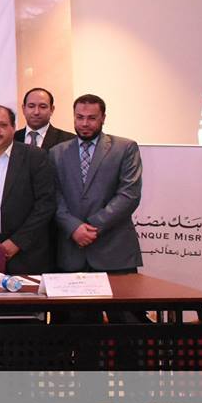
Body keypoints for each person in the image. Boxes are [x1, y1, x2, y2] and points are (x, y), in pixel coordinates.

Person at [51, 94, 143, 274]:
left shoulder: (125, 148)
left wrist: (92, 227)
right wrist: (73, 227)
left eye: (92, 118)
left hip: (114, 253)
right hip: (71, 254)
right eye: (79, 117)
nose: (85, 123)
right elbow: (53, 196)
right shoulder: (56, 152)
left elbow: (129, 195)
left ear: (103, 118)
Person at [0, 106, 56, 274]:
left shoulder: (35, 156)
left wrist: (17, 242)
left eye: (2, 125)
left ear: (13, 127)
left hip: (29, 255)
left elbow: (46, 204)